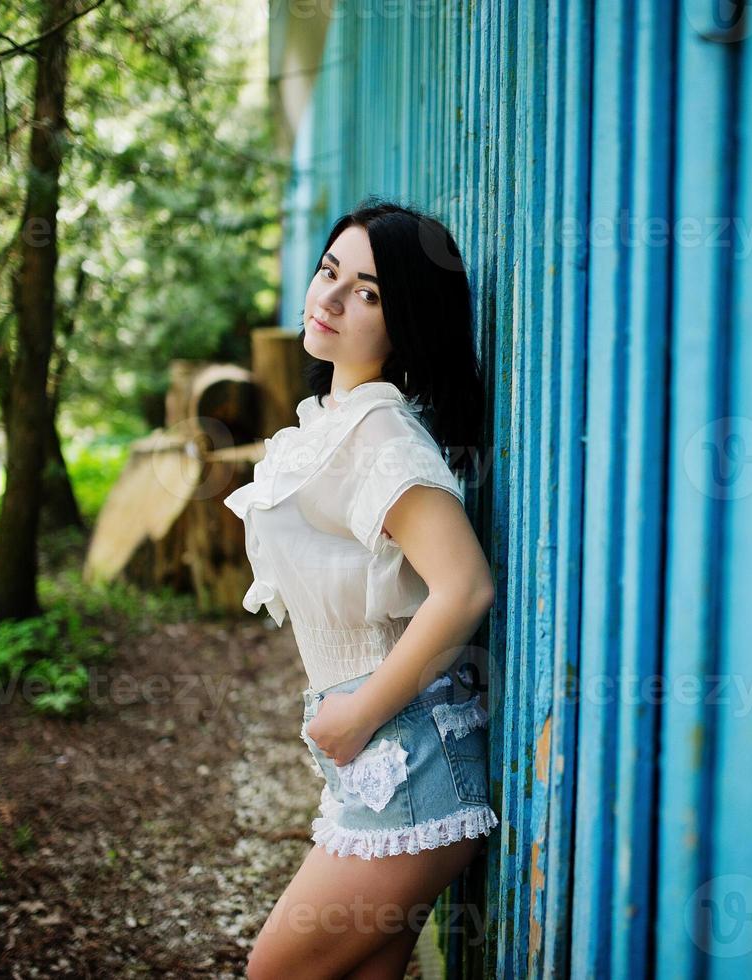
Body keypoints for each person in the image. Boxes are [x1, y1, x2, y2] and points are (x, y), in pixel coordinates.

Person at [228, 198, 498, 980]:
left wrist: (356, 714)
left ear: (407, 317)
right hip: (384, 758)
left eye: (368, 292)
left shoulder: (380, 434)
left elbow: (465, 586)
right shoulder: (340, 421)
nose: (331, 299)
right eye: (329, 272)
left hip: (405, 757)